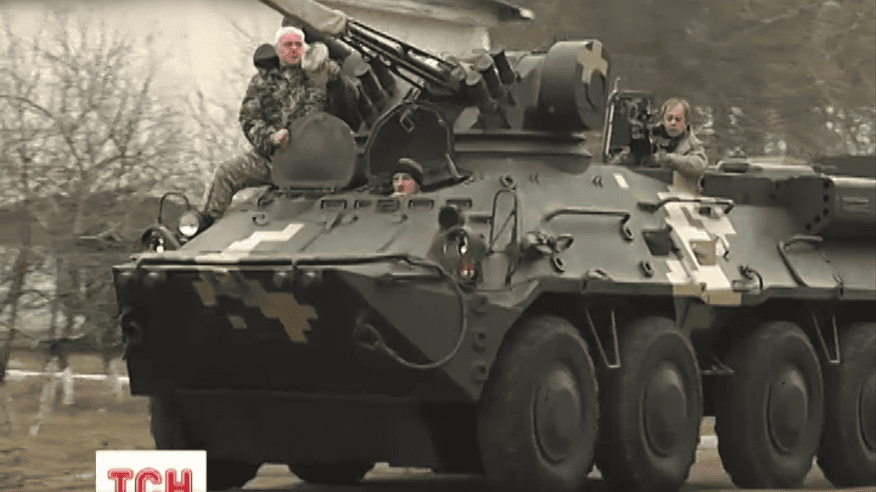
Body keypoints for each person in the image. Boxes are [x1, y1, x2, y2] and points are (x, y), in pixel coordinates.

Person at [200, 26, 341, 223]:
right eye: (288, 45)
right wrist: (271, 137)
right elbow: (249, 119)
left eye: (298, 44)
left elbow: (346, 107)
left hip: (311, 159)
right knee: (226, 173)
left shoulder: (317, 76)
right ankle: (201, 226)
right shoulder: (262, 81)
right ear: (278, 49)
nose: (293, 49)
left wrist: (335, 78)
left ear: (304, 48)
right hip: (272, 159)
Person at [649, 97, 708, 194]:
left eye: (678, 119)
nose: (673, 123)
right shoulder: (651, 138)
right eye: (669, 118)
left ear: (686, 123)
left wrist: (666, 158)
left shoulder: (692, 144)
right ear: (663, 121)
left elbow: (699, 165)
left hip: (683, 195)